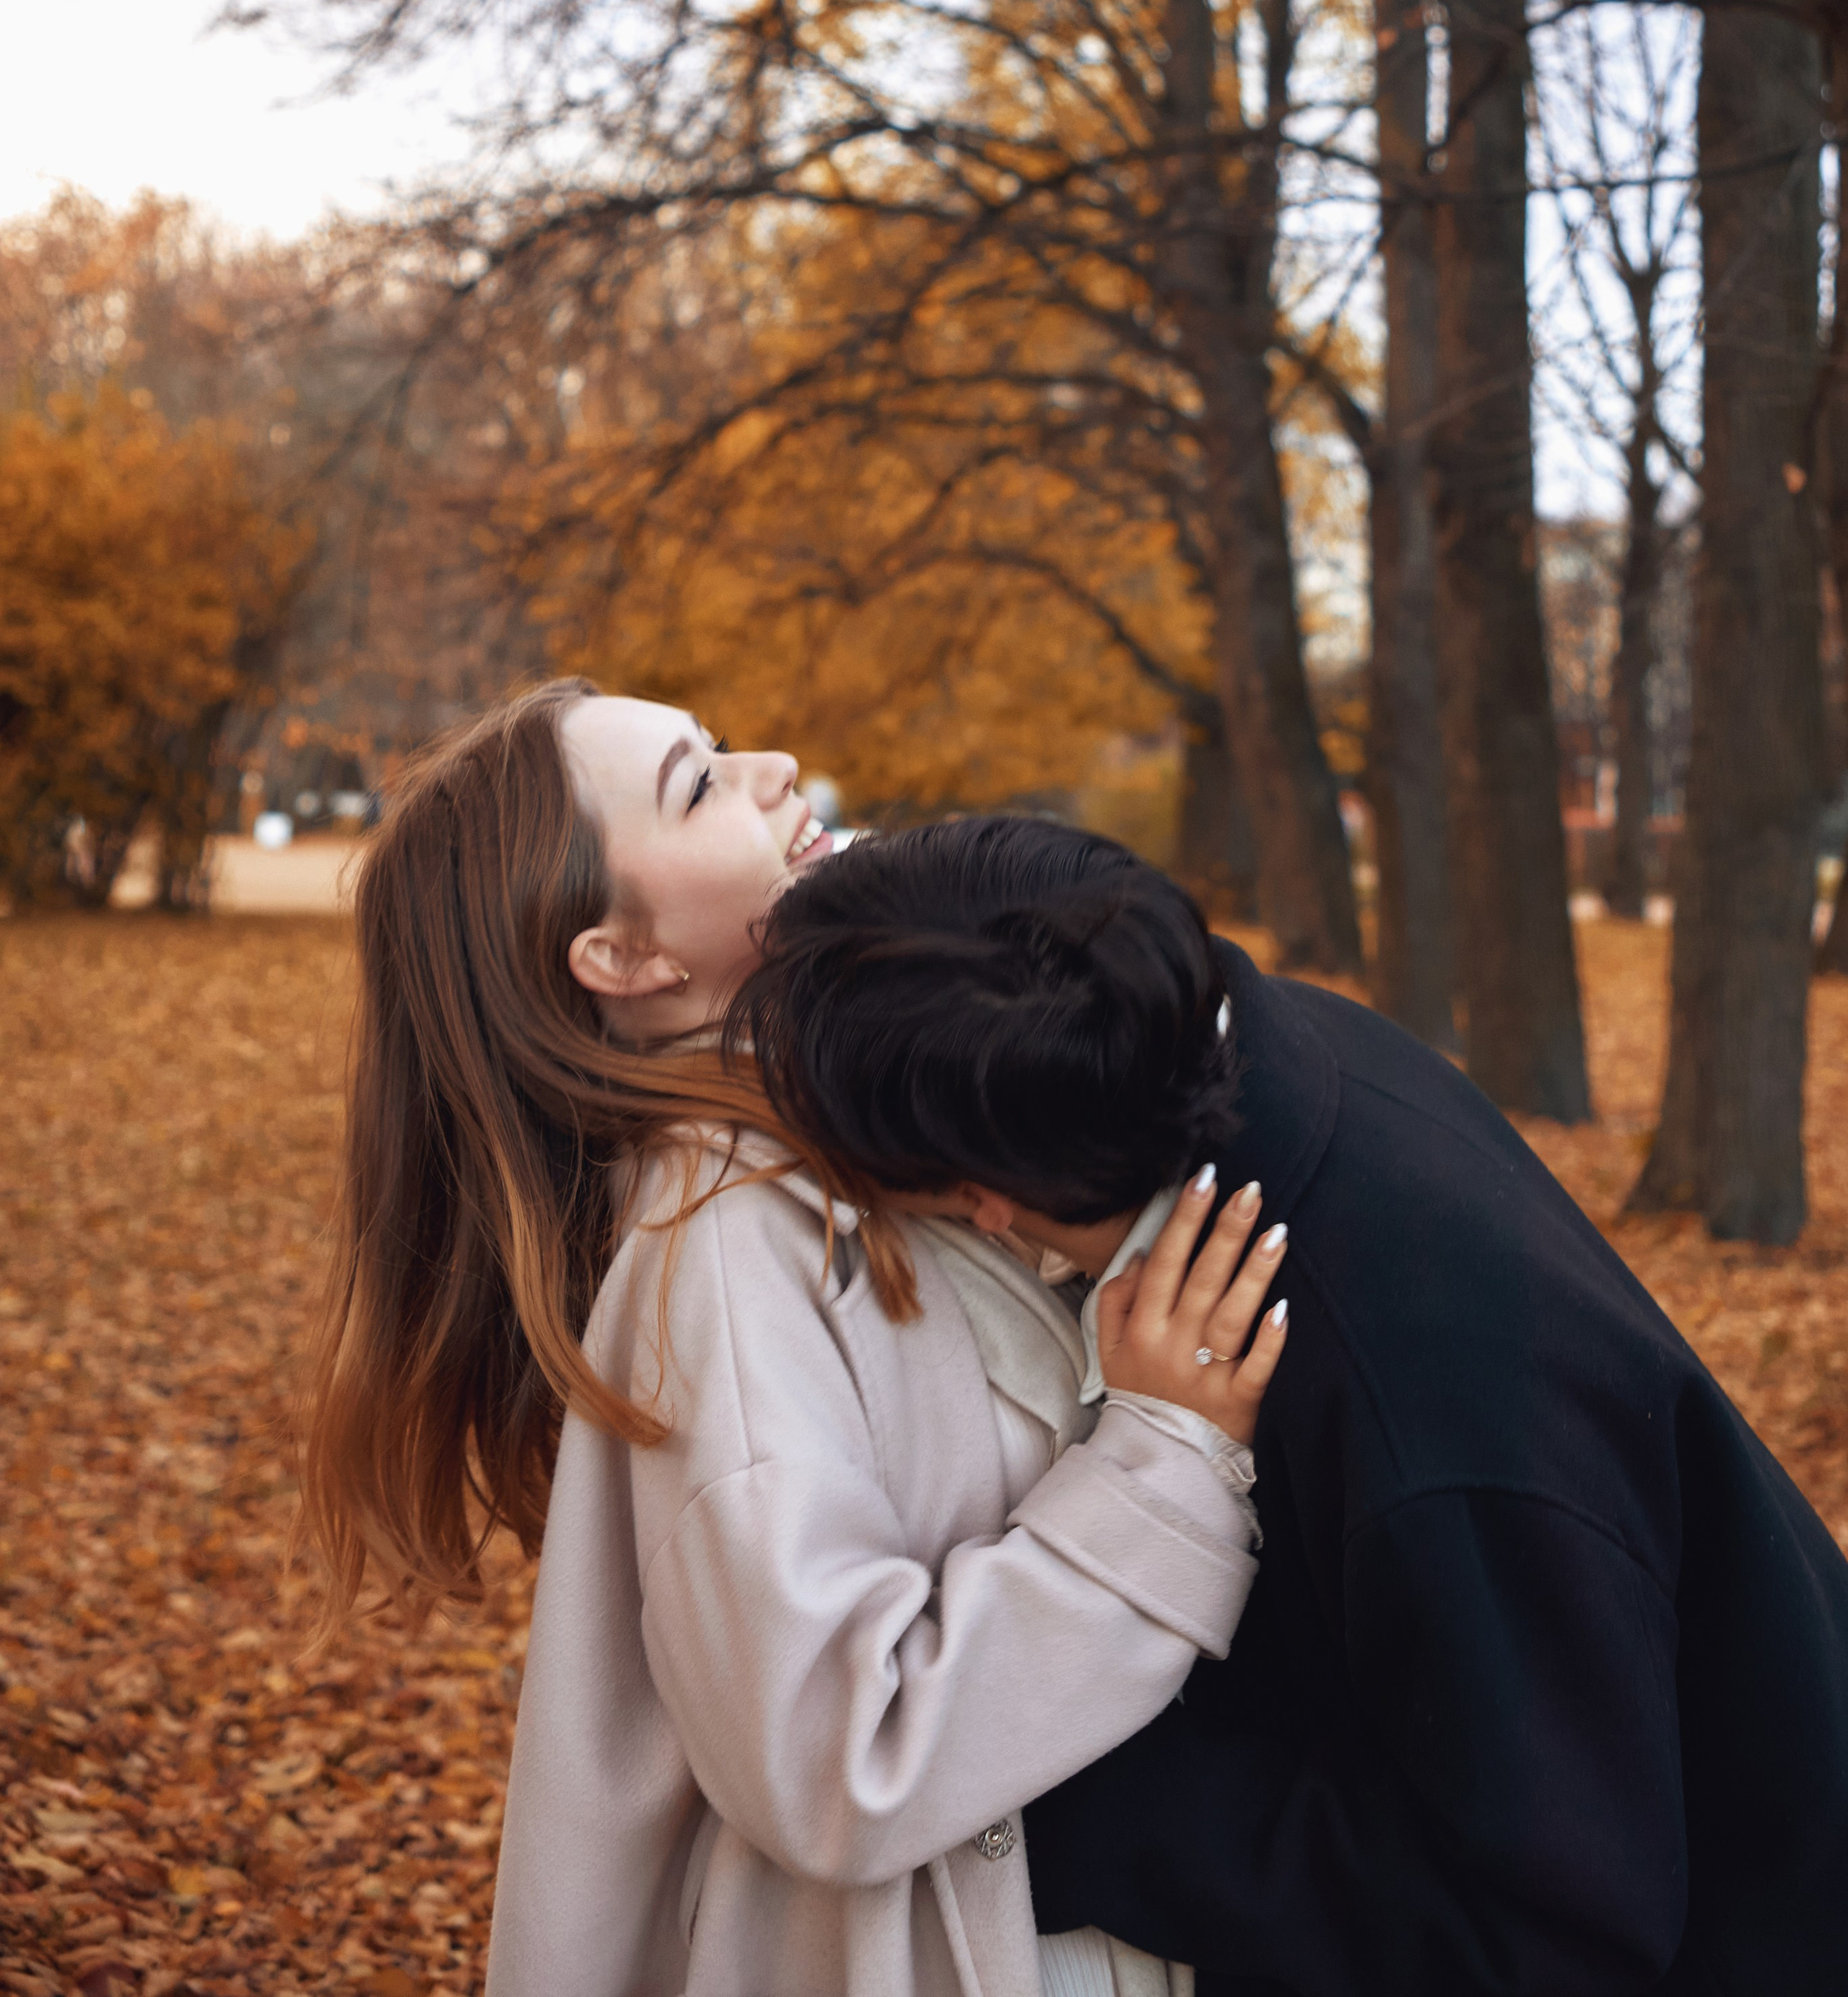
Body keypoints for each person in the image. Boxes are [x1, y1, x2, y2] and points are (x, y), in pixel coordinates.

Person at [743, 812, 1848, 1997]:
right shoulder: (1244, 1044)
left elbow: (1549, 1928)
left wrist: (1066, 1794)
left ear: (978, 1201)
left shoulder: (1412, 1405)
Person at [297, 681, 1289, 1997]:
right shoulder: (726, 1239)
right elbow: (836, 1751)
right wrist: (1167, 1457)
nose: (777, 767)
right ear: (627, 957)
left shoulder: (833, 1150)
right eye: (699, 783)